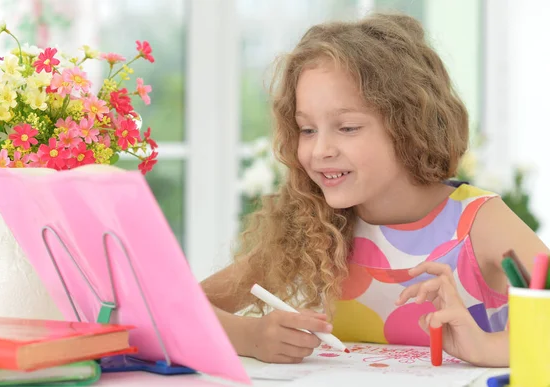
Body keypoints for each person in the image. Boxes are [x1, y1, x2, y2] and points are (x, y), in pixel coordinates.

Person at [201, 12, 549, 367]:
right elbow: (179, 306)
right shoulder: (314, 224)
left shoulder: (479, 221)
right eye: (307, 130)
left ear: (411, 127)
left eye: (348, 127)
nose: (320, 150)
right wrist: (249, 337)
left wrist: (487, 348)